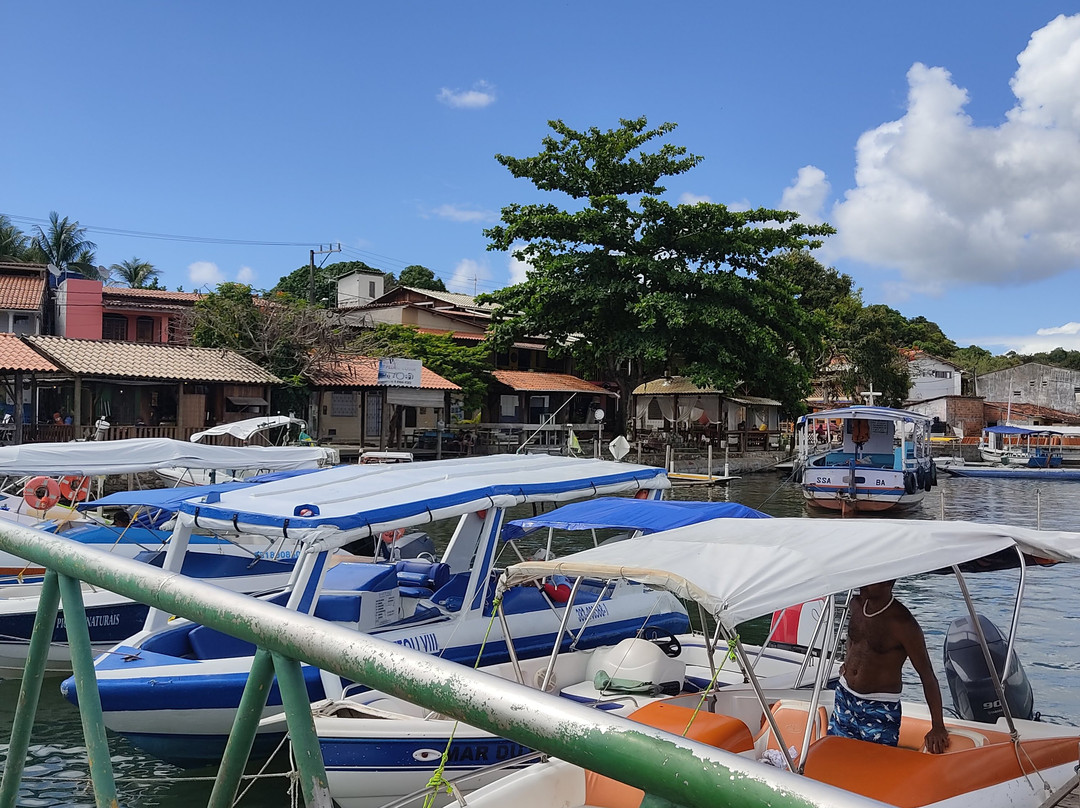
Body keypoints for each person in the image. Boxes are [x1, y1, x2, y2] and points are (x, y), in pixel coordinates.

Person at [828, 579, 949, 753]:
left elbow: (927, 675)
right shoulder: (856, 605)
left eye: (871, 579)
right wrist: (847, 661)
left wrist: (938, 726)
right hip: (845, 696)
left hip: (879, 705)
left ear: (888, 582)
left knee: (877, 761)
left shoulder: (903, 623)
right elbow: (854, 638)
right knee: (838, 753)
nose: (863, 582)